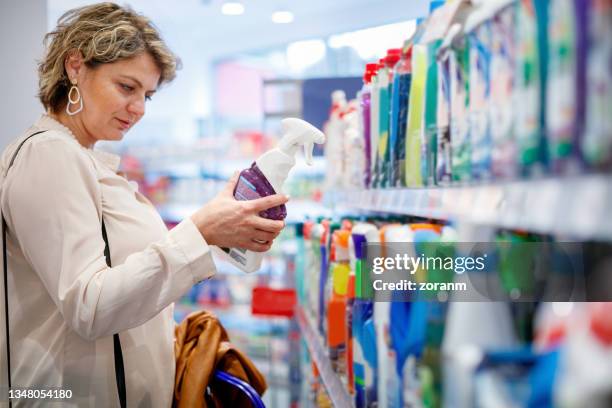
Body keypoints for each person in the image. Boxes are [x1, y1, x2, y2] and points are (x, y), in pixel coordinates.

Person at [0, 3, 287, 406]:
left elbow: (123, 280)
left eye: (147, 95)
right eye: (127, 87)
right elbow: (90, 305)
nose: (139, 108)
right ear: (75, 67)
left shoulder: (79, 157)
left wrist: (218, 234)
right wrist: (200, 231)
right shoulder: (49, 155)